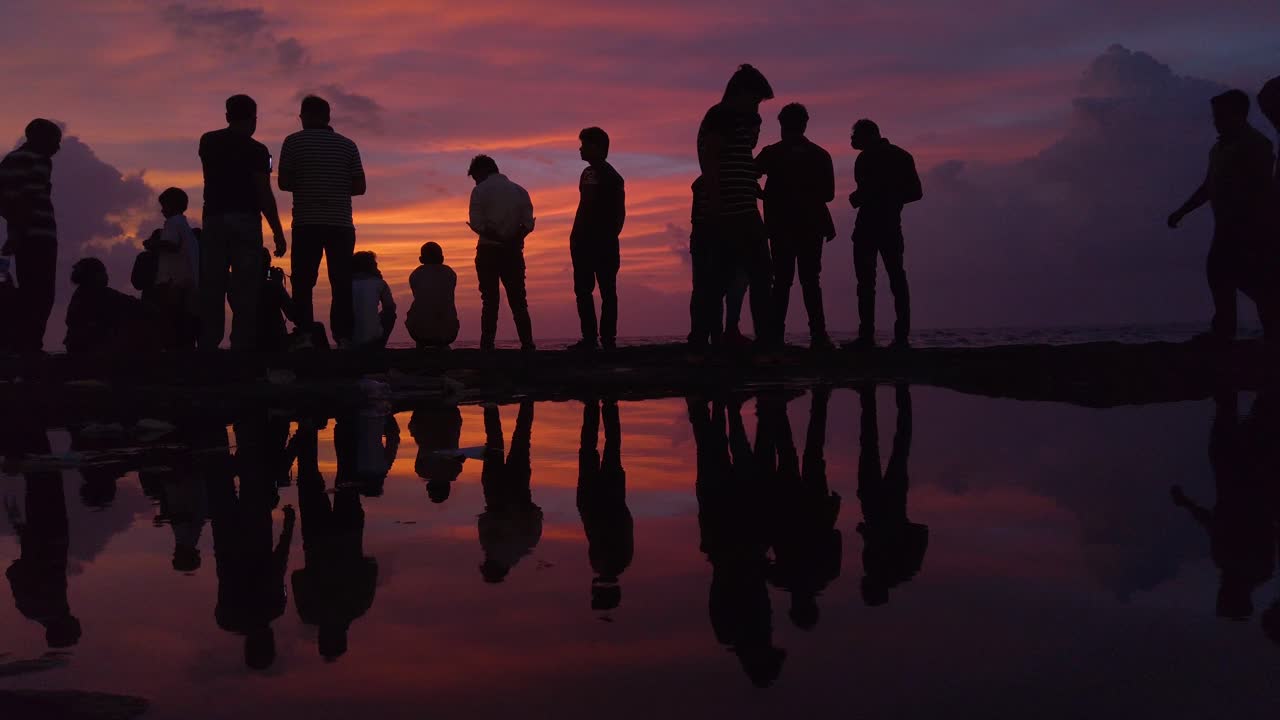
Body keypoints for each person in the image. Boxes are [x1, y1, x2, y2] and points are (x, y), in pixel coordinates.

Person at [688, 394, 784, 688]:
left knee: (715, 456)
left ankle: (715, 405)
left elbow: (732, 582)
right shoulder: (736, 632)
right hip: (731, 536)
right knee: (716, 456)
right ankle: (715, 406)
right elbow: (735, 584)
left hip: (732, 536)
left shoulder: (733, 631)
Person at [1168, 90, 1276, 344]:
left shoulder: (1257, 145)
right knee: (1220, 274)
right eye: (1215, 116)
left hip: (1250, 224)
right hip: (1225, 224)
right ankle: (1227, 330)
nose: (1215, 121)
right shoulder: (1218, 148)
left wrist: (1261, 226)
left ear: (1237, 114)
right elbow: (1209, 185)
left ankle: (1267, 328)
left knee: (1247, 277)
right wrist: (1183, 211)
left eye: (1220, 115)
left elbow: (1264, 188)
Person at [198, 94, 287, 351]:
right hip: (246, 220)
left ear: (227, 116)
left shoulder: (208, 141)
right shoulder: (258, 151)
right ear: (254, 118)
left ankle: (208, 344)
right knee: (245, 288)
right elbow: (263, 193)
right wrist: (278, 232)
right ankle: (241, 346)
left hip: (214, 218)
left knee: (212, 285)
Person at [278, 95, 366, 348]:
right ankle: (344, 337)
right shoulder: (348, 145)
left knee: (304, 281)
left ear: (303, 116)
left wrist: (309, 183)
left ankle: (305, 333)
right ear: (328, 117)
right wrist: (334, 186)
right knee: (341, 282)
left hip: (307, 222)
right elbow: (360, 187)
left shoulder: (293, 142)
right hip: (341, 223)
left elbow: (284, 182)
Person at [697, 64, 774, 349]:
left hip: (739, 207)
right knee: (758, 276)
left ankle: (704, 345)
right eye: (755, 100)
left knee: (725, 279)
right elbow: (712, 160)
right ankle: (764, 346)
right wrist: (716, 203)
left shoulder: (733, 119)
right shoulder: (722, 116)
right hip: (733, 211)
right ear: (742, 93)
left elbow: (735, 160)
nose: (756, 107)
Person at [291, 419, 378, 661]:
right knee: (310, 476)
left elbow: (371, 566)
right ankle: (314, 426)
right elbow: (297, 577)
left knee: (344, 474)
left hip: (346, 535)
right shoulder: (312, 612)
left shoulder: (358, 606)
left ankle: (342, 424)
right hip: (319, 538)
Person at [755, 104, 836, 350]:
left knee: (782, 282)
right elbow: (829, 194)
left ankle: (776, 336)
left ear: (782, 125)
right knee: (810, 281)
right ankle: (818, 337)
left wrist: (765, 195)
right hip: (810, 226)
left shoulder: (772, 153)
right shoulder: (820, 154)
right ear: (804, 124)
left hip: (782, 227)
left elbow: (749, 174)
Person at [759, 387, 841, 630]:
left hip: (810, 507)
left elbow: (835, 537)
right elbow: (761, 560)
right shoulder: (784, 579)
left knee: (811, 451)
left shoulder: (827, 574)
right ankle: (779, 406)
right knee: (789, 452)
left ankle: (818, 400)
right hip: (790, 508)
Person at [3, 424, 81, 650]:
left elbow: (46, 568)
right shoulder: (29, 610)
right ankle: (23, 437)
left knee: (47, 480)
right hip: (35, 538)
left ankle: (28, 434)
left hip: (51, 536)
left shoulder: (55, 606)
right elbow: (13, 572)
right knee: (37, 484)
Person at [847, 119, 923, 350]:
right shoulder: (900, 156)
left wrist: (881, 198)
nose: (852, 140)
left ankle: (870, 337)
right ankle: (898, 336)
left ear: (868, 135)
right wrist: (891, 199)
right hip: (885, 226)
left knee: (871, 282)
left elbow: (914, 192)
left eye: (855, 136)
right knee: (894, 279)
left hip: (874, 227)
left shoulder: (873, 158)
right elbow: (915, 192)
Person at [857, 384, 927, 606]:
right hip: (890, 501)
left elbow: (875, 539)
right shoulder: (903, 569)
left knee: (878, 444)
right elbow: (921, 534)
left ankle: (873, 393)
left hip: (875, 501)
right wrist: (896, 527)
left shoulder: (888, 569)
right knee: (896, 443)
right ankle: (898, 391)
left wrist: (868, 532)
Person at [0, 119, 62, 353]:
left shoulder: (9, 161)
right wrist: (18, 231)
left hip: (23, 234)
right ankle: (31, 346)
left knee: (28, 290)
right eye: (55, 141)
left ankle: (22, 344)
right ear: (39, 138)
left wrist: (14, 230)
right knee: (42, 293)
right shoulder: (39, 161)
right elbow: (29, 198)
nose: (57, 147)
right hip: (38, 235)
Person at [467, 155, 536, 351]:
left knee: (490, 300)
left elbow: (477, 224)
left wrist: (497, 236)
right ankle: (527, 343)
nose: (476, 181)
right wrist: (513, 238)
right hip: (513, 251)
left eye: (475, 177)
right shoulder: (520, 191)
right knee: (519, 300)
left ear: (481, 172)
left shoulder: (479, 191)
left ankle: (487, 344)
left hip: (488, 250)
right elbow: (528, 224)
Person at [568, 127, 626, 351]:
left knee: (584, 290)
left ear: (597, 147)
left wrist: (576, 237)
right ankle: (608, 339)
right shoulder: (616, 177)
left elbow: (587, 207)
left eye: (584, 144)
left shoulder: (590, 174)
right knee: (608, 291)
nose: (580, 148)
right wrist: (611, 235)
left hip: (587, 241)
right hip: (608, 242)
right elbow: (621, 214)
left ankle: (591, 339)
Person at [577, 397, 632, 610]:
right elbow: (621, 523)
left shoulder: (622, 561)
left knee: (608, 448)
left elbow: (626, 523)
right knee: (593, 449)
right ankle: (597, 406)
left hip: (607, 497)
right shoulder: (608, 562)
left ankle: (605, 406)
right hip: (600, 499)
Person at [477, 401, 539, 583]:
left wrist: (526, 507)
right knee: (495, 442)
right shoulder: (493, 547)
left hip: (518, 490)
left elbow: (537, 517)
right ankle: (491, 405)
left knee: (521, 438)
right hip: (498, 491)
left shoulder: (526, 547)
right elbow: (484, 520)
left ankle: (527, 402)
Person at [143, 187, 200, 349]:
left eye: (164, 206)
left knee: (171, 325)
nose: (162, 211)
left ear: (172, 205)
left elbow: (171, 245)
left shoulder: (172, 223)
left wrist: (152, 244)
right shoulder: (186, 228)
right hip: (187, 283)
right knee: (184, 326)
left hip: (173, 283)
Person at [63, 258, 150, 354]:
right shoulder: (101, 293)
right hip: (90, 346)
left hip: (74, 345)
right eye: (103, 271)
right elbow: (131, 303)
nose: (106, 275)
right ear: (94, 275)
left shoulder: (79, 293)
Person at [687, 176, 722, 349]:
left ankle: (701, 335)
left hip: (702, 236)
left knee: (703, 289)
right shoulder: (711, 182)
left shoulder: (700, 182)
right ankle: (711, 335)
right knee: (711, 289)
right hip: (709, 236)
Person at [406, 241, 459, 349]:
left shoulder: (415, 275)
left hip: (419, 332)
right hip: (449, 332)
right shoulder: (450, 273)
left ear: (421, 259)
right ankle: (443, 344)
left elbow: (420, 297)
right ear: (442, 258)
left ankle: (421, 344)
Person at [408, 405, 465, 503]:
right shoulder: (422, 471)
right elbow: (422, 451)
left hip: (449, 414)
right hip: (426, 415)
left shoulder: (454, 471)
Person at [350, 250, 396, 350]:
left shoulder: (345, 285)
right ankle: (379, 345)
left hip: (349, 339)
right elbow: (390, 307)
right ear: (370, 267)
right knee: (390, 314)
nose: (378, 270)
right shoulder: (379, 283)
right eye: (375, 266)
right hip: (373, 340)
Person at [256, 248, 296, 352]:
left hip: (249, 341)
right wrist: (279, 284)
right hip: (275, 340)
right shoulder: (273, 287)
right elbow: (292, 315)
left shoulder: (240, 287)